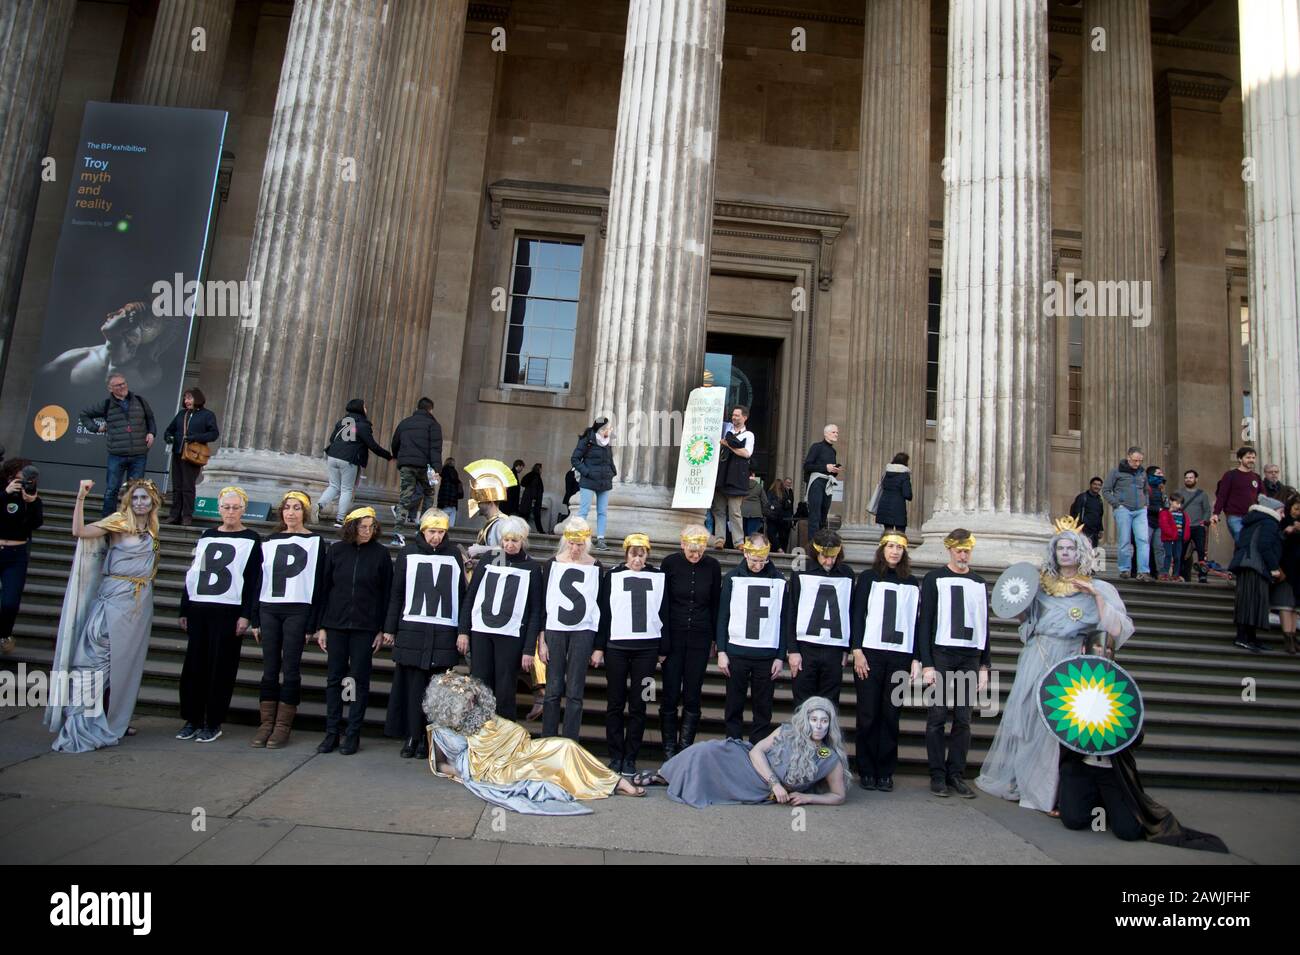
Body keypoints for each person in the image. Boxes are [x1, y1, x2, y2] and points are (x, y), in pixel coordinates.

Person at [975, 516, 1134, 812]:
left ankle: (1053, 793)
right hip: (1038, 655)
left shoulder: (1097, 587)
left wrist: (1097, 597)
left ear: (1081, 552)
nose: (1064, 553)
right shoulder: (1041, 586)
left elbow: (1118, 629)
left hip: (1072, 661)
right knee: (1027, 719)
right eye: (1060, 547)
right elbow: (1027, 625)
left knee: (1058, 727)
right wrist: (1019, 609)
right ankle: (1025, 783)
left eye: (1070, 548)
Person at [45, 477, 161, 752]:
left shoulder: (153, 529)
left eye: (145, 498)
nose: (140, 502)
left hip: (140, 602)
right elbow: (80, 532)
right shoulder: (119, 522)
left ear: (153, 502)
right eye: (136, 497)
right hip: (114, 597)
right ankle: (82, 722)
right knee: (95, 660)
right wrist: (81, 497)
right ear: (128, 500)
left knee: (124, 666)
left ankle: (112, 719)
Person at [426, 672, 646, 813]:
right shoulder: (443, 731)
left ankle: (614, 782)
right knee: (544, 772)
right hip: (500, 768)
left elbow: (511, 734)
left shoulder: (483, 714)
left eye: (473, 694)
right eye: (467, 698)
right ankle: (610, 784)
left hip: (526, 750)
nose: (473, 699)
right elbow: (442, 765)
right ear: (450, 704)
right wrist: (464, 774)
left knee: (566, 746)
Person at [645, 697, 848, 808]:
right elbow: (757, 751)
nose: (819, 726)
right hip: (751, 764)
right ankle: (664, 775)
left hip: (758, 788)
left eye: (824, 721)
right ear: (806, 720)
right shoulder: (788, 732)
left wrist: (807, 798)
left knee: (707, 767)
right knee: (705, 749)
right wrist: (775, 783)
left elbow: (838, 796)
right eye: (814, 720)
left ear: (830, 725)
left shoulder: (826, 757)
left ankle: (669, 778)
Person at [177, 487, 262, 743]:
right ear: (219, 509)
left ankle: (213, 721)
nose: (230, 512)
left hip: (230, 611)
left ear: (244, 509)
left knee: (221, 668)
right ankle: (192, 718)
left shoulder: (253, 538)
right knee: (194, 667)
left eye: (236, 507)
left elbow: (253, 580)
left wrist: (247, 614)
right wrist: (185, 607)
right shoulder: (208, 535)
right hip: (200, 608)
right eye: (226, 507)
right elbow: (195, 572)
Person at [249, 491, 327, 748]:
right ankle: (266, 723)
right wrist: (255, 618)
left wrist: (313, 623)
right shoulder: (269, 540)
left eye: (296, 508)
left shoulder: (316, 541)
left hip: (298, 608)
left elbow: (319, 584)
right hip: (269, 607)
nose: (291, 513)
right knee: (270, 668)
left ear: (304, 513)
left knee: (291, 668)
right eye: (287, 508)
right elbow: (260, 579)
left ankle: (283, 725)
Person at [1057, 734, 1227, 852]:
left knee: (1128, 831)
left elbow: (1137, 738)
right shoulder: (1076, 699)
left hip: (1112, 773)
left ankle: (1109, 804)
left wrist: (1114, 732)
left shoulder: (1120, 699)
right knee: (1074, 821)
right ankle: (1098, 802)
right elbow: (1060, 735)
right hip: (1080, 769)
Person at [385, 508, 465, 757]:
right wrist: (389, 628)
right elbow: (397, 592)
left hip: (442, 633)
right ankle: (412, 736)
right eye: (432, 531)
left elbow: (461, 595)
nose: (436, 537)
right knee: (412, 688)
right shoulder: (408, 553)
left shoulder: (453, 555)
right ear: (423, 530)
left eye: (441, 532)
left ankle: (429, 739)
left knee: (437, 691)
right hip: (413, 631)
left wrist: (462, 631)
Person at [314, 507, 393, 754]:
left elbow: (386, 594)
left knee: (358, 680)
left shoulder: (380, 554)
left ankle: (352, 733)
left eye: (371, 526)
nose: (367, 531)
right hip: (336, 624)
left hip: (365, 627)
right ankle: (331, 732)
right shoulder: (336, 551)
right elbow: (324, 588)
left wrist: (381, 628)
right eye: (362, 526)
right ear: (351, 527)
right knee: (335, 678)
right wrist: (322, 626)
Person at [918, 529, 989, 798]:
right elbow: (924, 622)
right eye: (959, 550)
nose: (963, 554)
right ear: (949, 550)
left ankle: (956, 774)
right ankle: (937, 775)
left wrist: (985, 665)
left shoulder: (979, 582)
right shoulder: (935, 578)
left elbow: (985, 625)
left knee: (963, 719)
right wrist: (926, 663)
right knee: (937, 716)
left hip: (969, 656)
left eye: (967, 550)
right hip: (942, 655)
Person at [849, 532, 921, 792]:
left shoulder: (912, 582)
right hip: (870, 654)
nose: (895, 552)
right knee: (867, 714)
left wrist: (917, 657)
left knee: (891, 715)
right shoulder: (868, 578)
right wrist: (856, 649)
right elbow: (857, 614)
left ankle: (885, 770)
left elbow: (916, 622)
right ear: (882, 549)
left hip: (900, 655)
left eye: (899, 548)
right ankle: (866, 769)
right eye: (890, 546)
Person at [462, 515, 544, 720]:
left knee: (506, 688)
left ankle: (503, 737)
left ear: (523, 541)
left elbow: (535, 611)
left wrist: (528, 649)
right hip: (482, 631)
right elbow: (471, 595)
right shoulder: (490, 559)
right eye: (506, 540)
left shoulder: (531, 567)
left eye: (514, 541)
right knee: (480, 684)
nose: (509, 545)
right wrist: (463, 631)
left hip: (511, 635)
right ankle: (478, 732)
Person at [600, 534, 669, 776]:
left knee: (640, 703)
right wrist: (600, 646)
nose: (638, 559)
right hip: (617, 648)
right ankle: (615, 756)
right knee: (615, 703)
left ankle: (631, 757)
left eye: (642, 554)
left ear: (647, 555)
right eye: (633, 554)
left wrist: (663, 648)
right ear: (626, 554)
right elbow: (604, 613)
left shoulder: (658, 576)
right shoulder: (613, 576)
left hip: (647, 650)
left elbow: (665, 612)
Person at [539, 516, 607, 740]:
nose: (575, 548)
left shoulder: (596, 566)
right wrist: (541, 640)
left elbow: (600, 605)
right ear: (565, 541)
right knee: (553, 689)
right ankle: (548, 739)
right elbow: (543, 603)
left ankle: (570, 741)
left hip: (583, 630)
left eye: (580, 544)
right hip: (555, 628)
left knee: (575, 691)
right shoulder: (553, 563)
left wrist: (598, 645)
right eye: (572, 543)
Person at [717, 532, 786, 744]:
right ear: (746, 553)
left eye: (763, 560)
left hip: (766, 654)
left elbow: (784, 619)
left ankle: (758, 750)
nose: (758, 565)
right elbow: (723, 615)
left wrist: (780, 655)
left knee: (763, 707)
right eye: (755, 560)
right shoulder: (732, 578)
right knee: (733, 705)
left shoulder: (778, 580)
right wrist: (721, 650)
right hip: (737, 652)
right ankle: (733, 748)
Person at [659, 525, 721, 756]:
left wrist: (716, 640)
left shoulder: (713, 566)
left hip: (700, 636)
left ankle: (685, 748)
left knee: (693, 693)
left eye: (700, 551)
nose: (695, 556)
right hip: (673, 635)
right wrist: (662, 641)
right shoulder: (670, 563)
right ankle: (668, 749)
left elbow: (715, 603)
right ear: (682, 544)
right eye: (691, 551)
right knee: (670, 691)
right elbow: (662, 603)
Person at [41, 300, 179, 390]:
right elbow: (38, 386)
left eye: (121, 313)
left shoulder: (147, 371)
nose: (110, 315)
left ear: (135, 332)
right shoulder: (76, 357)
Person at [784, 528, 853, 708]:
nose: (829, 561)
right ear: (815, 552)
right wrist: (792, 650)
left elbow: (849, 611)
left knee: (829, 704)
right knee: (802, 703)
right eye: (824, 556)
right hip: (806, 647)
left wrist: (846, 648)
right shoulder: (801, 572)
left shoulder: (847, 573)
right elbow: (791, 610)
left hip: (834, 648)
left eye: (833, 556)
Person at [78, 373, 157, 518]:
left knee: (135, 491)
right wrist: (97, 428)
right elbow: (84, 414)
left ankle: (131, 520)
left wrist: (151, 433)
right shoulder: (106, 404)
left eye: (124, 383)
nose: (122, 386)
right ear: (110, 388)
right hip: (117, 454)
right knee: (112, 489)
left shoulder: (139, 401)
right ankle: (108, 521)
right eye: (118, 385)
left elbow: (150, 419)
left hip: (138, 454)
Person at [316, 398, 391, 527]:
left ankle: (318, 507)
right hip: (348, 459)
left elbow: (332, 438)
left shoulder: (343, 422)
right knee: (347, 489)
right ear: (360, 408)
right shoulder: (363, 425)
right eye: (365, 406)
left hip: (333, 456)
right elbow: (372, 446)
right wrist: (389, 456)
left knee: (333, 485)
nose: (366, 409)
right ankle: (340, 519)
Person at [1229, 494, 1284, 654]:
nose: (1283, 515)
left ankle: (1250, 637)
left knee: (1249, 601)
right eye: (1281, 512)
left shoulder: (1254, 521)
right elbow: (1264, 545)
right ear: (1272, 511)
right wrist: (1274, 567)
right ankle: (1242, 638)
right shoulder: (1269, 523)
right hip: (1255, 566)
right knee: (1251, 602)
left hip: (1247, 564)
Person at [0, 458, 43, 655]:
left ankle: (4, 634)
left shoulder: (31, 496)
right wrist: (4, 494)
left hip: (17, 554)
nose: (22, 481)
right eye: (18, 476)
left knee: (10, 602)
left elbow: (36, 523)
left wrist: (32, 502)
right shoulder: (3, 492)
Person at [162, 387, 219, 526]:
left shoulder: (207, 415)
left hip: (193, 456)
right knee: (177, 486)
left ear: (197, 399)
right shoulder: (182, 414)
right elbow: (169, 430)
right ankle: (174, 515)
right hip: (178, 453)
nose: (186, 401)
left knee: (188, 486)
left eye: (189, 398)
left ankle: (186, 516)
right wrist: (169, 437)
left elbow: (213, 434)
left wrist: (195, 438)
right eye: (185, 398)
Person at [389, 396, 443, 527]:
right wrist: (437, 469)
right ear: (430, 410)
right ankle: (423, 527)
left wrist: (398, 457)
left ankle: (398, 532)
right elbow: (435, 449)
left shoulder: (405, 423)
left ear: (417, 408)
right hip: (426, 467)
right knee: (429, 494)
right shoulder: (434, 425)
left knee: (404, 497)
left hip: (407, 465)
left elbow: (395, 442)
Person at [1101, 446, 1152, 581]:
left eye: (1140, 461)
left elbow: (1146, 490)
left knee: (1143, 540)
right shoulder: (1116, 472)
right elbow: (1105, 490)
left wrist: (1146, 503)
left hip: (1140, 510)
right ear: (1128, 457)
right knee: (1124, 540)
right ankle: (1124, 569)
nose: (1138, 463)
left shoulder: (1142, 473)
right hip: (1124, 509)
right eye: (1135, 460)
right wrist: (1117, 504)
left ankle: (1143, 571)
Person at [711, 406, 754, 549]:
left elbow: (746, 453)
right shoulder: (725, 431)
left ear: (745, 417)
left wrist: (728, 445)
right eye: (733, 415)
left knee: (735, 512)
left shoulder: (748, 435)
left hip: (736, 479)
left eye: (737, 415)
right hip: (721, 476)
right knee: (719, 510)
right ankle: (719, 540)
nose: (734, 417)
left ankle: (738, 542)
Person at [571, 417, 616, 548]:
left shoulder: (607, 441)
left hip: (604, 481)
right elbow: (575, 459)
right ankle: (579, 537)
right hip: (589, 481)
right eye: (607, 427)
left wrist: (612, 471)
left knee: (602, 512)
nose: (610, 430)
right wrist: (587, 472)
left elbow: (609, 459)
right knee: (584, 510)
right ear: (601, 429)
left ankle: (600, 539)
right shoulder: (587, 440)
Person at [1212, 446, 1262, 544]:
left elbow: (1263, 497)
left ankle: (1239, 559)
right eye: (1248, 457)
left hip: (1252, 517)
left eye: (1253, 458)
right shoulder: (1230, 475)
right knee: (1242, 540)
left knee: (1248, 545)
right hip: (1235, 516)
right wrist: (1216, 513)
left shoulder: (1256, 477)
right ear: (1240, 459)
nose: (1251, 460)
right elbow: (1222, 495)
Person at [803, 424, 842, 537]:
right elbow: (807, 466)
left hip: (827, 483)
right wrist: (825, 467)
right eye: (833, 432)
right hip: (817, 483)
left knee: (823, 516)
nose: (836, 434)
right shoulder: (817, 447)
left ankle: (820, 543)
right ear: (826, 433)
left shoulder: (833, 451)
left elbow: (829, 470)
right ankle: (812, 545)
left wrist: (834, 470)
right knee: (815, 515)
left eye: (837, 432)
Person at [1274, 497, 1300, 654]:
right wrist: (1286, 531)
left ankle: (1293, 635)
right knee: (1285, 604)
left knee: (1295, 607)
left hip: (1298, 571)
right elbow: (1276, 542)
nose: (1298, 512)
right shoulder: (1282, 522)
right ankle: (1287, 637)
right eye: (1296, 508)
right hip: (1285, 568)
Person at [1180, 469, 1212, 583]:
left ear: (1196, 479)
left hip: (1198, 527)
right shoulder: (1180, 493)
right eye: (1186, 478)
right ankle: (1180, 574)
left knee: (1201, 552)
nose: (1188, 480)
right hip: (1184, 527)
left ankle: (1202, 575)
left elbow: (1207, 510)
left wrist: (1204, 522)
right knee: (1181, 551)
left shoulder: (1202, 494)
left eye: (1191, 477)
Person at [873, 452, 913, 534]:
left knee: (887, 533)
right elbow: (907, 494)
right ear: (905, 462)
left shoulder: (886, 473)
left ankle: (887, 546)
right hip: (898, 508)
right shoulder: (904, 475)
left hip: (884, 506)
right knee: (900, 534)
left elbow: (883, 487)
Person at [1158, 493, 1190, 581]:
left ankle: (1175, 574)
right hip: (1168, 538)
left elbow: (1185, 525)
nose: (1179, 505)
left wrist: (1185, 535)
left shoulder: (1182, 514)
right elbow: (1164, 525)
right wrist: (1171, 534)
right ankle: (1165, 573)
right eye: (1177, 503)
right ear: (1171, 502)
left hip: (1178, 538)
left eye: (1180, 504)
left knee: (1177, 556)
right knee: (1168, 555)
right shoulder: (1165, 512)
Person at [1070, 476, 1105, 548]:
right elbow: (1076, 513)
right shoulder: (1082, 497)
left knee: (1092, 554)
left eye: (1099, 485)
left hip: (1094, 533)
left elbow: (1100, 515)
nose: (1097, 487)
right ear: (1090, 485)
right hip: (1084, 531)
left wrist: (1101, 529)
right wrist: (1078, 529)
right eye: (1095, 484)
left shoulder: (1100, 500)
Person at [1145, 467, 1168, 579]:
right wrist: (1158, 510)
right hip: (1148, 522)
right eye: (1158, 473)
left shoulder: (1161, 490)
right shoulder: (1146, 490)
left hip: (1159, 523)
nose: (1161, 475)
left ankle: (1161, 572)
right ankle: (1145, 570)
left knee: (1159, 548)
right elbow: (1145, 506)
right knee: (1145, 547)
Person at [764, 476, 794, 552]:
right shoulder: (783, 494)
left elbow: (766, 503)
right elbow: (787, 506)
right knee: (781, 536)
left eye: (790, 483)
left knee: (771, 534)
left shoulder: (770, 492)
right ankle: (780, 549)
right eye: (787, 483)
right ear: (783, 484)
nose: (788, 484)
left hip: (771, 517)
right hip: (780, 518)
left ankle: (777, 549)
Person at [519, 463, 546, 534]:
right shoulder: (536, 476)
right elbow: (534, 488)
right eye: (541, 468)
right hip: (532, 500)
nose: (542, 470)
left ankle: (522, 530)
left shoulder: (531, 475)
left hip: (528, 499)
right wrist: (534, 499)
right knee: (534, 516)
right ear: (539, 469)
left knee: (526, 516)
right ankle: (540, 531)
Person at [437, 457, 464, 527]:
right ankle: (450, 527)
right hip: (452, 497)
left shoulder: (443, 471)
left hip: (444, 496)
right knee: (452, 512)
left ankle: (441, 525)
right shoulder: (454, 471)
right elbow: (455, 482)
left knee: (443, 511)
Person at [741, 470, 767, 536]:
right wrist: (764, 513)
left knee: (742, 532)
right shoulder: (759, 486)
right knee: (752, 533)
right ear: (753, 476)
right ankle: (750, 545)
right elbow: (765, 501)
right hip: (756, 512)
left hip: (742, 511)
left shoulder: (741, 485)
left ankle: (742, 545)